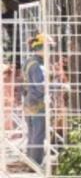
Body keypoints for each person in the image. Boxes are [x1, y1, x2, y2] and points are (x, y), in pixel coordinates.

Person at [22, 34, 47, 165]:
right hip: (38, 103)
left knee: (32, 133)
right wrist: (59, 86)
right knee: (38, 134)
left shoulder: (28, 61)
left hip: (28, 101)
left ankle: (30, 160)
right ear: (42, 48)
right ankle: (36, 163)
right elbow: (41, 86)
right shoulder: (37, 65)